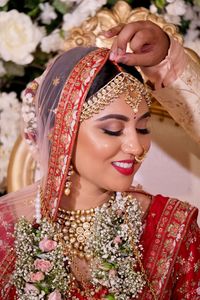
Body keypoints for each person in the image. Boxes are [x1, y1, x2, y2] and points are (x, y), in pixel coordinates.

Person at [0, 20, 199, 300]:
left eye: (143, 128)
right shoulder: (6, 231)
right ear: (61, 134)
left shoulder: (171, 227)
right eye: (113, 130)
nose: (135, 146)